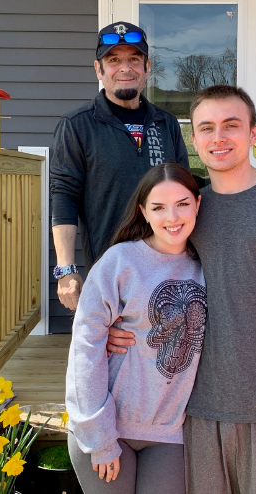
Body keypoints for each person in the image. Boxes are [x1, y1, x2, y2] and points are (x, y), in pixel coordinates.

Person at [108, 85, 256, 493]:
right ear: (193, 140)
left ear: (253, 133)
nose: (219, 138)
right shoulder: (187, 211)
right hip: (196, 408)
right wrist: (114, 324)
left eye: (232, 126)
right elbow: (147, 275)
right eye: (207, 128)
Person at [65, 162, 206, 494]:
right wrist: (99, 436)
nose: (172, 217)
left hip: (169, 433)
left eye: (183, 204)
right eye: (158, 207)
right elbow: (86, 346)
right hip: (108, 425)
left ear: (198, 205)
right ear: (143, 211)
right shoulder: (120, 262)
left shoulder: (208, 267)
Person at [50, 21, 190, 312]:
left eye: (134, 59)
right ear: (98, 70)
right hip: (109, 273)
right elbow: (64, 195)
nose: (125, 68)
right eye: (113, 60)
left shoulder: (167, 124)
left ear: (147, 67)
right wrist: (65, 269)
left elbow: (185, 191)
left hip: (169, 272)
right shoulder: (77, 125)